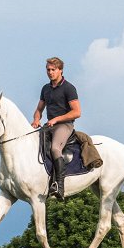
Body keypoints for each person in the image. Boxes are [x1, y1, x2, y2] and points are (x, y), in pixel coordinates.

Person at [31, 57, 81, 200]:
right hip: (49, 125)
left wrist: (57, 119)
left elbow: (77, 112)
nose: (50, 72)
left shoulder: (69, 88)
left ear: (60, 70)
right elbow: (39, 109)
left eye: (53, 70)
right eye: (48, 70)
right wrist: (36, 120)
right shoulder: (45, 89)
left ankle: (59, 185)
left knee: (54, 149)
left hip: (65, 125)